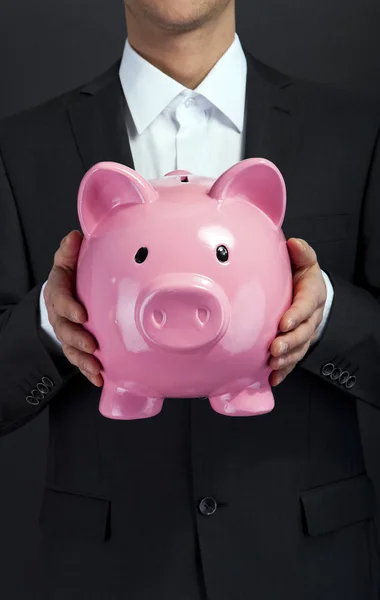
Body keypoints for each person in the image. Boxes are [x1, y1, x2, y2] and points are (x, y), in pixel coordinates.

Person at [0, 0, 379, 598]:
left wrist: (326, 313)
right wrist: (52, 325)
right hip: (106, 571)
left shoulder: (355, 129)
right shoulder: (22, 145)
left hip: (304, 562)